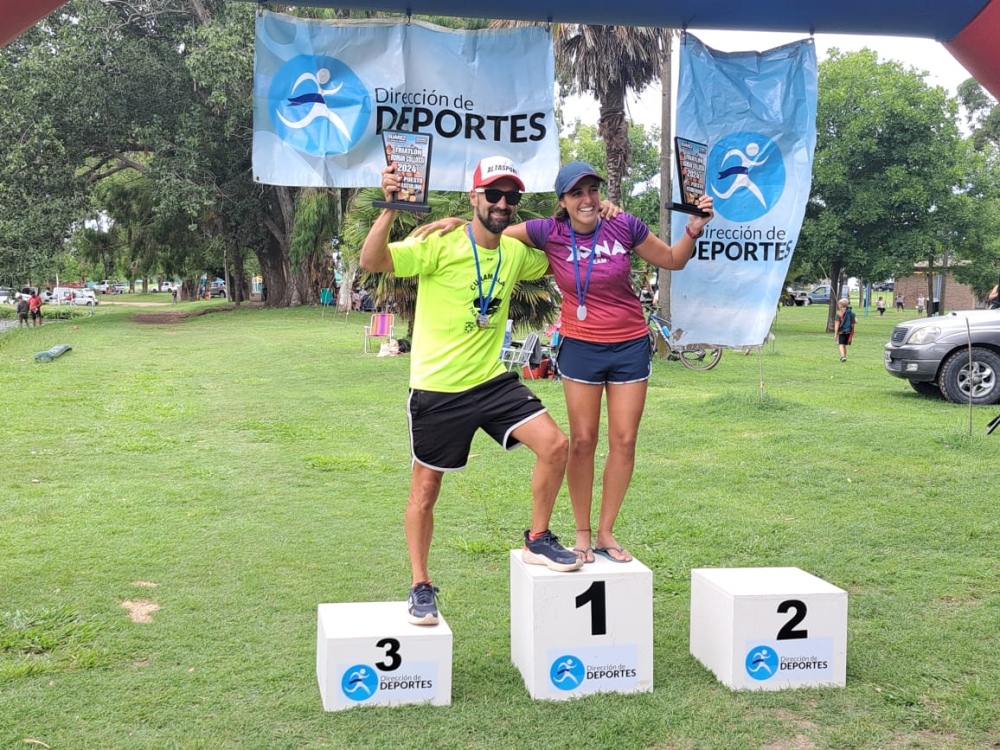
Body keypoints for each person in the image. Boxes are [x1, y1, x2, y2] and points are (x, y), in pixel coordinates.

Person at [416, 161, 714, 564]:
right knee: (583, 441)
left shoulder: (624, 225)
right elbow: (491, 230)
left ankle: (607, 531)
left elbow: (674, 259)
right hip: (580, 346)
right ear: (563, 201)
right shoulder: (547, 231)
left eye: (593, 190)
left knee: (624, 441)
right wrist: (456, 221)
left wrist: (694, 227)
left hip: (628, 345)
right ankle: (582, 533)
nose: (587, 199)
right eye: (577, 193)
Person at [360, 155, 582, 627]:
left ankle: (537, 536)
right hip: (438, 389)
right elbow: (372, 260)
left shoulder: (516, 253)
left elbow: (557, 242)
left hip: (492, 381)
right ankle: (420, 584)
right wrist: (389, 208)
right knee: (425, 487)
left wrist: (584, 210)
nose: (503, 204)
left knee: (556, 445)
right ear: (474, 196)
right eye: (494, 194)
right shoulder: (438, 245)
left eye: (512, 197)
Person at [835, 297, 856, 362]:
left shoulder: (839, 314)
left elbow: (837, 324)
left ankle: (843, 356)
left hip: (842, 332)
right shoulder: (851, 313)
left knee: (841, 344)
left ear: (840, 305)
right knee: (844, 345)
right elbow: (856, 321)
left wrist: (835, 334)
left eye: (839, 304)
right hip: (849, 331)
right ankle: (844, 357)